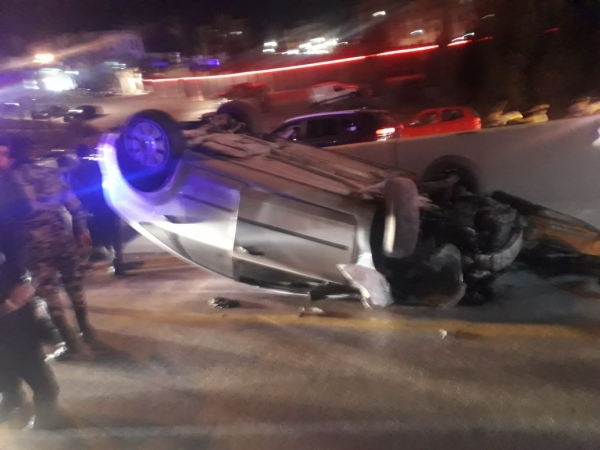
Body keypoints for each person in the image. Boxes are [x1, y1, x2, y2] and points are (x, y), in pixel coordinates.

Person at [5, 135, 95, 360]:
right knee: (73, 284)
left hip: (33, 243)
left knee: (48, 292)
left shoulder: (8, 179)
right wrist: (81, 231)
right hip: (61, 236)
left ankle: (71, 345)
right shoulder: (50, 173)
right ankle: (86, 330)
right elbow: (75, 205)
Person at [0, 140, 62, 429]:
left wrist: (25, 280)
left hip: (9, 283)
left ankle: (47, 402)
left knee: (23, 350)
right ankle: (10, 395)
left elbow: (22, 237)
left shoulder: (8, 186)